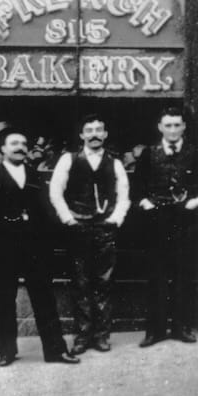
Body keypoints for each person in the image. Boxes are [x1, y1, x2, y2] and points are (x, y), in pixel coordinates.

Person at [0, 128, 80, 367]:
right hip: (3, 248)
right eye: (14, 144)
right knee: (5, 300)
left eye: (23, 143)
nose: (20, 147)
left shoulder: (34, 175)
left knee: (45, 299)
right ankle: (6, 352)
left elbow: (45, 212)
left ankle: (56, 350)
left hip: (34, 247)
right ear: (3, 149)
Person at [49, 113, 130, 354]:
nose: (94, 134)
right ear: (82, 135)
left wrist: (115, 220)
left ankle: (102, 335)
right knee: (80, 282)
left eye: (99, 130)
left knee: (104, 282)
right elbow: (55, 191)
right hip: (78, 229)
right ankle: (83, 336)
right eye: (89, 130)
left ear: (105, 134)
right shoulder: (69, 159)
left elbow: (124, 195)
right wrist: (68, 219)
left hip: (105, 229)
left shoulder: (115, 162)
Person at [134, 105, 198, 346]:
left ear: (184, 127)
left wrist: (196, 201)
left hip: (186, 220)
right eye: (168, 125)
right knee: (156, 275)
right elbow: (138, 188)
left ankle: (181, 327)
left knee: (183, 275)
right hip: (157, 220)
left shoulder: (196, 153)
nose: (173, 130)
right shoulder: (149, 154)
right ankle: (155, 330)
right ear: (160, 128)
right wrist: (146, 204)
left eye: (177, 125)